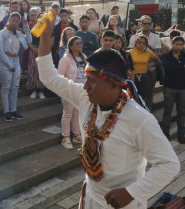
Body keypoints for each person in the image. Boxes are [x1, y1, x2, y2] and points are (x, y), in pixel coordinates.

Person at [36, 12, 180, 209]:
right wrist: (45, 38)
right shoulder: (86, 98)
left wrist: (132, 193)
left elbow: (169, 164)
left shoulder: (139, 118)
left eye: (92, 81)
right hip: (90, 198)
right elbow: (48, 77)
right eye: (86, 79)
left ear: (114, 85)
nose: (85, 86)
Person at [0, 12, 31, 121]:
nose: (15, 23)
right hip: (6, 61)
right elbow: (0, 51)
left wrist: (26, 27)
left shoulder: (18, 33)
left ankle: (13, 110)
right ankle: (6, 111)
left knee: (15, 87)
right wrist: (9, 64)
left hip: (16, 60)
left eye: (17, 21)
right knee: (6, 87)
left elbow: (29, 41)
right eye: (13, 20)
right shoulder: (2, 33)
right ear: (9, 19)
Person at [57, 36, 87, 149]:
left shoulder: (84, 57)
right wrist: (64, 90)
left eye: (81, 43)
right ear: (71, 46)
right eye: (77, 43)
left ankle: (76, 134)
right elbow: (59, 76)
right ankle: (65, 137)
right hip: (69, 91)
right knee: (68, 113)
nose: (80, 45)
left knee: (77, 113)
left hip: (81, 90)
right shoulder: (65, 59)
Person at [129, 15, 161, 111]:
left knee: (149, 92)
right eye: (144, 23)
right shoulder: (134, 37)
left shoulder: (155, 37)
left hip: (150, 69)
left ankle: (148, 111)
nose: (146, 25)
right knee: (134, 92)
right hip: (135, 70)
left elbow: (156, 55)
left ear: (151, 25)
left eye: (149, 23)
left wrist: (147, 65)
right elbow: (131, 54)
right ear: (140, 24)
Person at [160, 36, 185, 143]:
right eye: (177, 44)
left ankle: (181, 134)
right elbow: (168, 69)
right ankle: (165, 133)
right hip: (169, 87)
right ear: (172, 44)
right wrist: (181, 67)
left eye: (181, 45)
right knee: (167, 111)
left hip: (182, 88)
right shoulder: (165, 57)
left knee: (182, 112)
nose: (179, 47)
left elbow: (173, 69)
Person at [128, 36, 161, 101]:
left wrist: (148, 67)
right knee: (132, 96)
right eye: (139, 42)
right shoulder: (129, 52)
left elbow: (158, 61)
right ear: (135, 43)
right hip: (132, 77)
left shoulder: (148, 53)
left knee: (143, 97)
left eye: (144, 43)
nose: (141, 45)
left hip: (144, 77)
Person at [27, 8, 45, 99]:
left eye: (35, 15)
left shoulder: (42, 25)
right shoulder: (28, 26)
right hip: (32, 49)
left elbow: (45, 39)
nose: (34, 17)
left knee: (41, 70)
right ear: (29, 16)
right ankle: (34, 90)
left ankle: (41, 90)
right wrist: (33, 49)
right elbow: (27, 40)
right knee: (32, 70)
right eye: (32, 15)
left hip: (42, 50)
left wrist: (40, 49)